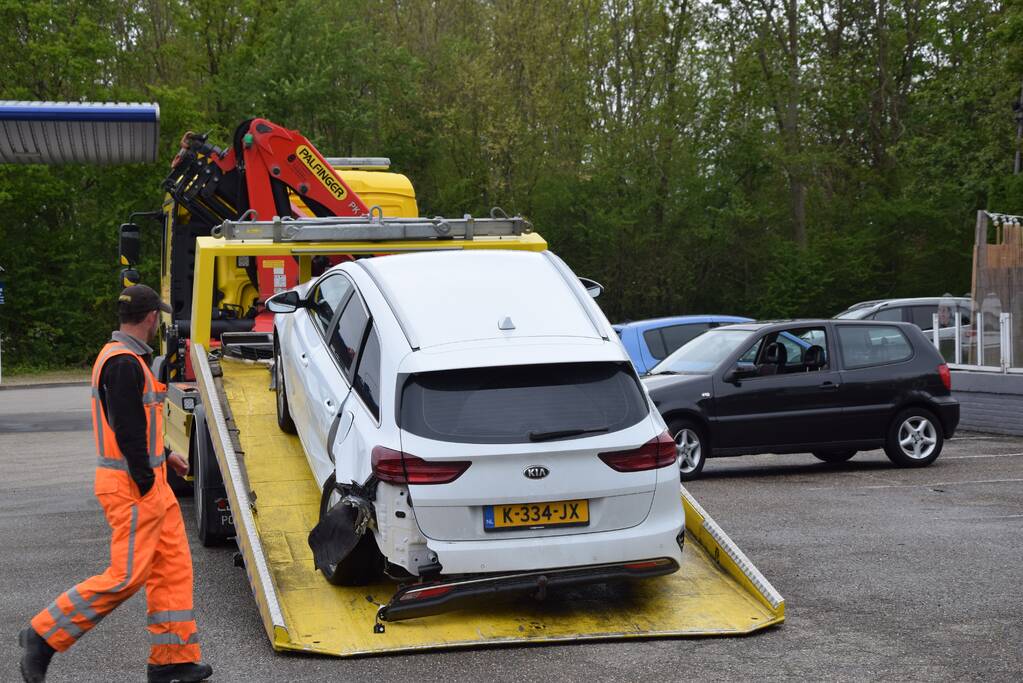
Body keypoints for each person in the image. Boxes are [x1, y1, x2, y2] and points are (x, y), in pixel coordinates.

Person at [18, 285, 213, 683]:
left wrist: (163, 454)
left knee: (172, 567)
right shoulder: (124, 362)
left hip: (146, 481)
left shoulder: (125, 358)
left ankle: (172, 661)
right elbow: (125, 430)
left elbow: (133, 425)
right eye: (157, 316)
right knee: (125, 577)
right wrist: (145, 481)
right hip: (133, 486)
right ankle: (43, 636)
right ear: (151, 318)